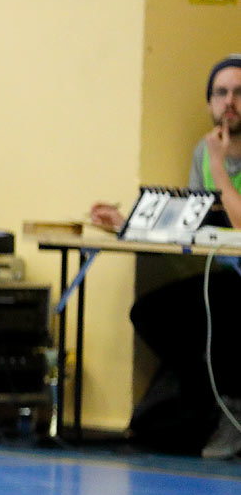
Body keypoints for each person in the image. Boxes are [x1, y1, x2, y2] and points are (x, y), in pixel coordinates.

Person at [90, 54, 241, 458]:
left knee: (223, 315)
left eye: (239, 92)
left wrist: (219, 166)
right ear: (209, 103)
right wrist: (126, 223)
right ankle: (210, 404)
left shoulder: (212, 156)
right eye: (221, 93)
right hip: (219, 274)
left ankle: (232, 410)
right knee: (153, 313)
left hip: (237, 278)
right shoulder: (202, 150)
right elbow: (189, 217)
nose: (230, 102)